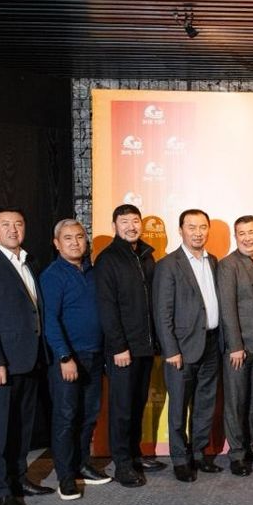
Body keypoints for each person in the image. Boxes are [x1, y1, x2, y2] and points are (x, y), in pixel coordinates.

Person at [0, 207, 54, 505]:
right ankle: (0, 492)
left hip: (29, 359)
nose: (13, 229)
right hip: (0, 364)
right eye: (5, 224)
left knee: (21, 426)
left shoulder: (29, 262)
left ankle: (18, 479)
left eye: (19, 223)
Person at [40, 219, 107, 501]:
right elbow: (50, 320)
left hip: (95, 354)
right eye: (68, 238)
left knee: (89, 415)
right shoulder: (52, 275)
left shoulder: (93, 271)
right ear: (57, 244)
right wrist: (64, 356)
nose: (75, 242)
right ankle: (65, 477)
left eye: (79, 237)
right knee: (66, 417)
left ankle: (82, 465)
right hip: (68, 358)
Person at [95, 203, 162, 488]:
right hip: (122, 350)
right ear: (114, 226)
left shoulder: (147, 256)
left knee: (137, 405)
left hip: (145, 347)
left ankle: (134, 455)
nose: (131, 226)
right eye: (124, 222)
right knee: (122, 409)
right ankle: (122, 464)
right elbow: (107, 308)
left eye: (135, 221)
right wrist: (118, 347)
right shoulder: (107, 259)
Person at [153, 209, 222, 483]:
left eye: (202, 227)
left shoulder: (213, 261)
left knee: (205, 404)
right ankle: (180, 459)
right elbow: (162, 312)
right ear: (180, 230)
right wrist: (170, 350)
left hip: (212, 343)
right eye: (191, 227)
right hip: (181, 348)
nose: (197, 232)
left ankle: (198, 453)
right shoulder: (168, 265)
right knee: (179, 406)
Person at [218, 215, 253, 476]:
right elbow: (228, 308)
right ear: (235, 237)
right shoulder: (228, 265)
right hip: (238, 349)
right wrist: (235, 346)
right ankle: (237, 453)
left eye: (251, 232)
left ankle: (252, 447)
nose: (247, 238)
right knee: (236, 402)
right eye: (241, 233)